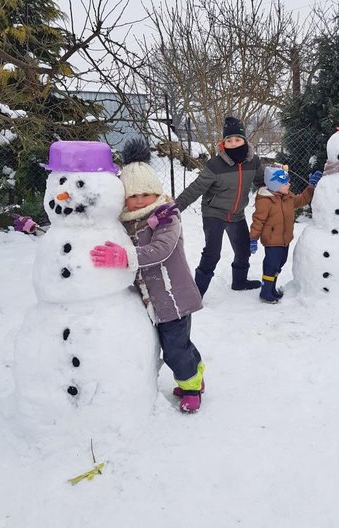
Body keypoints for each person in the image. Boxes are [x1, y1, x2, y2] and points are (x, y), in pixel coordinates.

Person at [90, 138, 204, 413]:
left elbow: (161, 250)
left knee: (174, 349)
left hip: (173, 298)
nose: (140, 200)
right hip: (152, 301)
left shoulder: (166, 217)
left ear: (156, 193)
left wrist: (125, 257)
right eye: (133, 196)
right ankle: (195, 372)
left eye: (146, 194)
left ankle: (191, 387)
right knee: (176, 344)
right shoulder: (127, 222)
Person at [175, 116, 265, 297]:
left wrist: (279, 188)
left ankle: (239, 281)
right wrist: (175, 207)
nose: (233, 143)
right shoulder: (215, 164)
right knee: (212, 253)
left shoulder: (253, 162)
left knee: (244, 249)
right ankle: (196, 294)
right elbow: (196, 188)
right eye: (229, 140)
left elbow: (261, 182)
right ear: (223, 143)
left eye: (237, 139)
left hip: (237, 213)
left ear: (244, 140)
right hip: (214, 212)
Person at [249, 164, 322, 303]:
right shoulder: (265, 201)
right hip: (272, 240)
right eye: (285, 182)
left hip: (285, 239)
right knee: (271, 265)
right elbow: (258, 221)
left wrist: (311, 187)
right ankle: (265, 292)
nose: (289, 184)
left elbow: (301, 200)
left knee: (279, 264)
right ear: (275, 185)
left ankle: (272, 289)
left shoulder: (287, 197)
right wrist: (253, 238)